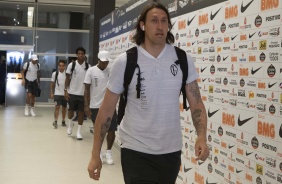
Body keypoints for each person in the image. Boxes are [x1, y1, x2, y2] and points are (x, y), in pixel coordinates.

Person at [88, 3, 209, 183]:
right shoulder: (125, 61)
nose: (159, 26)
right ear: (143, 26)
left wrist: (201, 137)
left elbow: (196, 103)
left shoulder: (182, 59)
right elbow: (106, 111)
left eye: (163, 21)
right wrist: (95, 154)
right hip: (135, 150)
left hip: (170, 151)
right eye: (154, 21)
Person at [84, 50, 117, 165]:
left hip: (110, 105)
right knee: (99, 131)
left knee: (112, 130)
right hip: (95, 105)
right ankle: (100, 151)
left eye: (107, 62)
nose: (105, 64)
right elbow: (87, 89)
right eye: (103, 62)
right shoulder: (91, 71)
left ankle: (108, 152)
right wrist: (86, 106)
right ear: (98, 60)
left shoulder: (111, 71)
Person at [64, 47, 90, 140]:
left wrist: (88, 95)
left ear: (84, 55)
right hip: (72, 92)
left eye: (82, 53)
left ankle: (79, 132)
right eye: (78, 53)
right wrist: (65, 90)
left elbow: (89, 82)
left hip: (83, 94)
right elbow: (67, 78)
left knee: (81, 113)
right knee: (70, 111)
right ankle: (70, 125)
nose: (80, 55)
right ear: (76, 55)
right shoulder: (72, 65)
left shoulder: (88, 66)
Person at [50, 60, 67, 128]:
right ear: (58, 66)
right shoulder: (55, 74)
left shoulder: (67, 74)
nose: (61, 67)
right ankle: (55, 121)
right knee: (57, 107)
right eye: (60, 66)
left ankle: (63, 120)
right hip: (57, 93)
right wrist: (51, 92)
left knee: (64, 108)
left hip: (65, 94)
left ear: (65, 66)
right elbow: (52, 84)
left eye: (62, 66)